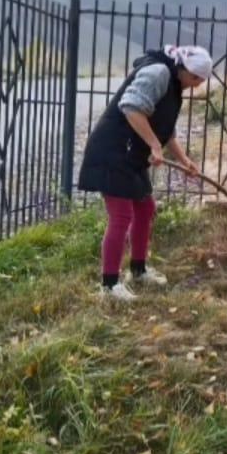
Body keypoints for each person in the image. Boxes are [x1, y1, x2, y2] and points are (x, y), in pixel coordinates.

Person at [77, 44, 213, 301]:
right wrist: (152, 144)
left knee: (145, 209)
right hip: (113, 150)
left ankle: (138, 270)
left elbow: (165, 129)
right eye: (197, 80)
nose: (198, 85)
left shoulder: (174, 84)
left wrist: (184, 160)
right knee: (121, 215)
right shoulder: (158, 73)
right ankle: (109, 285)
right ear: (188, 72)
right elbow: (131, 108)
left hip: (131, 155)